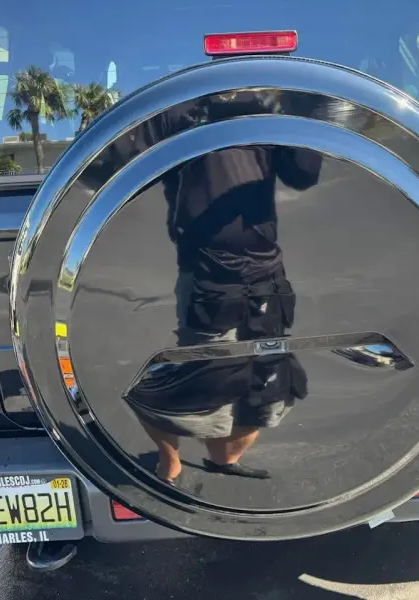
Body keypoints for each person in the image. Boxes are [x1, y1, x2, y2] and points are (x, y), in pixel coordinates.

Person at [123, 91, 322, 485]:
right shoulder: (173, 111)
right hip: (208, 277)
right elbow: (116, 169)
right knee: (195, 385)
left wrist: (298, 110)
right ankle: (169, 461)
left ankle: (222, 460)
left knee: (266, 388)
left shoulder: (262, 109)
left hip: (268, 274)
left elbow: (303, 174)